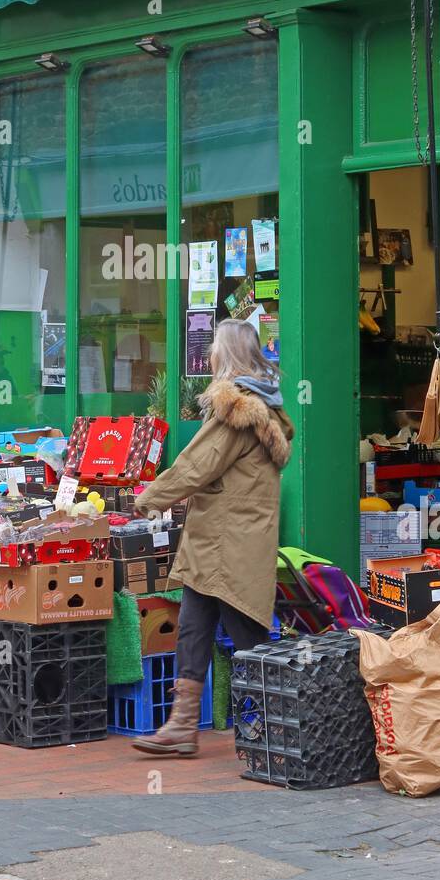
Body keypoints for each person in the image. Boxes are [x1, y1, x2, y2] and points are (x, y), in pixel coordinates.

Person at [131, 319, 293, 757]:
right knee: (193, 628)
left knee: (248, 638)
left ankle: (281, 728)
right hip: (224, 542)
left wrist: (148, 497)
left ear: (229, 355)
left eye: (216, 350)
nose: (210, 358)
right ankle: (183, 726)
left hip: (226, 545)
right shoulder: (262, 407)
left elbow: (194, 466)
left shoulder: (236, 412)